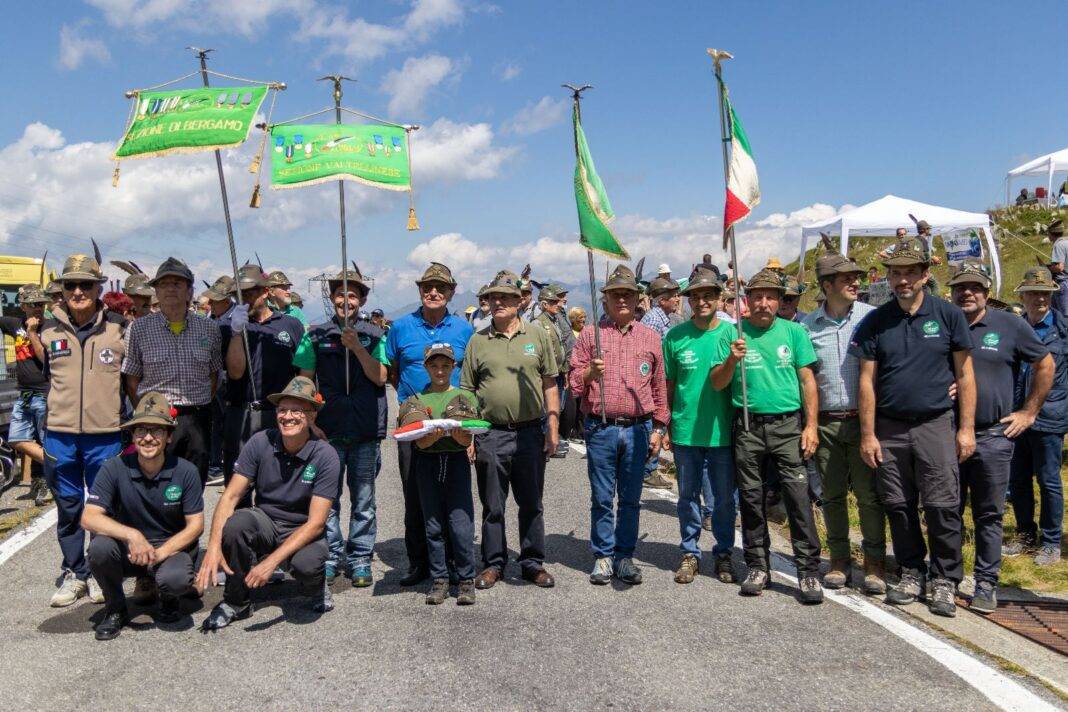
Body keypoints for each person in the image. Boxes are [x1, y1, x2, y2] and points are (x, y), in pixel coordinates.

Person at [851, 237, 976, 618]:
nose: (902, 280)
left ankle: (945, 578)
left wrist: (966, 428)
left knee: (942, 505)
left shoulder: (948, 315)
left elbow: (965, 374)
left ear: (924, 275)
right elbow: (866, 381)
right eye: (895, 273)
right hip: (889, 428)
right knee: (898, 504)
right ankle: (911, 571)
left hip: (935, 423)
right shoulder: (876, 321)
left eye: (909, 273)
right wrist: (868, 434)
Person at [710, 268, 824, 604]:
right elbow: (717, 382)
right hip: (748, 426)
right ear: (747, 300)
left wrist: (811, 426)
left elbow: (807, 381)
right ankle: (758, 566)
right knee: (751, 499)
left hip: (788, 426)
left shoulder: (794, 332)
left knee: (798, 498)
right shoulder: (732, 334)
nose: (763, 303)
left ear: (779, 301)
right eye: (757, 296)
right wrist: (732, 359)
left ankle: (808, 572)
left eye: (770, 297)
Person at [948, 262, 1053, 612]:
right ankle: (946, 578)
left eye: (975, 287)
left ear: (987, 292)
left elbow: (1045, 364)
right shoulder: (942, 324)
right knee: (946, 511)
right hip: (946, 433)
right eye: (960, 287)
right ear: (951, 292)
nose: (967, 292)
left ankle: (985, 582)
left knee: (989, 514)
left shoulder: (1010, 324)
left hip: (993, 435)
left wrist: (1029, 412)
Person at [196, 377, 339, 629]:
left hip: (302, 528)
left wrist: (270, 563)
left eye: (297, 410)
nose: (288, 416)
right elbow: (230, 496)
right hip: (267, 523)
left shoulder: (326, 455)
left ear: (312, 416)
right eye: (283, 410)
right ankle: (236, 602)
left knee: (307, 566)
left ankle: (317, 586)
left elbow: (317, 524)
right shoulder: (261, 441)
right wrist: (213, 547)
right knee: (236, 525)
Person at [39, 254, 127, 607]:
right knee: (69, 506)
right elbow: (47, 379)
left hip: (105, 434)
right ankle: (76, 572)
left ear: (98, 288)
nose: (78, 291)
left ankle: (101, 571)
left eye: (86, 285)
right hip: (60, 434)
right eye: (70, 285)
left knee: (104, 506)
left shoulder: (119, 328)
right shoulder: (47, 331)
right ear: (62, 289)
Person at [570, 265, 668, 586]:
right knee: (601, 497)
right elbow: (573, 383)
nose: (622, 299)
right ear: (606, 299)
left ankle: (624, 556)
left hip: (639, 429)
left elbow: (659, 388)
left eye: (627, 294)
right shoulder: (590, 335)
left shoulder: (651, 337)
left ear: (638, 299)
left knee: (630, 498)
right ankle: (602, 555)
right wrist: (589, 373)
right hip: (601, 428)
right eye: (615, 294)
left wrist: (659, 429)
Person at [462, 269, 559, 590]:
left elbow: (550, 383)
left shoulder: (537, 335)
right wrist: (470, 435)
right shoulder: (477, 341)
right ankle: (493, 564)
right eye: (493, 297)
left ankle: (532, 563)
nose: (498, 302)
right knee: (493, 505)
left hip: (530, 432)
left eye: (505, 297)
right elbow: (468, 392)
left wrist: (553, 426)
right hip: (490, 433)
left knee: (531, 503)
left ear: (519, 302)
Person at [82, 392, 204, 640]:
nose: (148, 437)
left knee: (176, 579)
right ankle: (116, 608)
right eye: (141, 430)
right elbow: (89, 517)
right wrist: (132, 535)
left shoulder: (186, 471)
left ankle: (168, 598)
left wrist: (161, 553)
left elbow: (196, 525)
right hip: (129, 549)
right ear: (132, 435)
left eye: (156, 430)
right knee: (99, 549)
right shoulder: (114, 468)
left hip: (169, 549)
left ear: (169, 436)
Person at [295, 265, 389, 588]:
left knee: (364, 499)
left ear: (361, 300)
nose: (345, 301)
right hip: (328, 430)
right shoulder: (314, 336)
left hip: (365, 429)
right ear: (331, 297)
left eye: (352, 295)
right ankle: (331, 554)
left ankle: (360, 555)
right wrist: (310, 422)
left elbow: (381, 377)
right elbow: (304, 382)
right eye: (339, 294)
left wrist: (357, 347)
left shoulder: (375, 335)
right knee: (327, 498)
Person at [801, 252, 886, 594]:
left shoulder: (872, 318)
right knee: (832, 496)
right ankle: (838, 560)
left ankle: (875, 563)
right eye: (846, 278)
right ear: (826, 285)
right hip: (826, 423)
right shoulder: (807, 327)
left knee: (869, 496)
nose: (855, 282)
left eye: (856, 277)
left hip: (864, 422)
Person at [385, 262, 473, 586]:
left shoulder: (464, 329)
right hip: (415, 425)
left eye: (440, 288)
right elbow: (393, 371)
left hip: (454, 424)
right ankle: (419, 562)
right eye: (427, 287)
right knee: (414, 495)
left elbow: (470, 376)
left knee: (453, 496)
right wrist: (413, 406)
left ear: (451, 292)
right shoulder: (400, 328)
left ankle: (453, 562)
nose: (433, 292)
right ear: (420, 290)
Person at [662, 265, 736, 585]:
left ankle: (724, 553)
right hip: (686, 430)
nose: (702, 301)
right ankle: (690, 553)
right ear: (688, 301)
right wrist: (665, 424)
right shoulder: (675, 337)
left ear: (719, 298)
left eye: (708, 295)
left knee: (724, 501)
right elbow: (668, 386)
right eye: (696, 297)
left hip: (723, 432)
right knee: (688, 497)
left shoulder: (733, 334)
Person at [121, 258, 223, 485]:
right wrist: (147, 413)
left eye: (177, 283)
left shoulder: (209, 328)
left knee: (194, 481)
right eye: (164, 284)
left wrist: (200, 400)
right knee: (155, 482)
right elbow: (132, 379)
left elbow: (214, 374)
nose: (170, 289)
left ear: (189, 291)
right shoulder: (138, 329)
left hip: (197, 417)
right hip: (157, 419)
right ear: (156, 291)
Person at [402, 344, 479, 605]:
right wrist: (427, 440)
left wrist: (461, 438)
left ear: (453, 367)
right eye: (434, 366)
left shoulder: (464, 397)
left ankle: (466, 579)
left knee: (460, 522)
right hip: (427, 462)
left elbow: (468, 436)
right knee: (433, 523)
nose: (439, 371)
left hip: (456, 462)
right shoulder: (417, 401)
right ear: (425, 367)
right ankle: (439, 579)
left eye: (445, 366)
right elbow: (417, 440)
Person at [218, 264, 305, 495]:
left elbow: (303, 373)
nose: (243, 300)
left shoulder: (290, 325)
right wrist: (237, 332)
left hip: (279, 414)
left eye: (249, 293)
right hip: (241, 414)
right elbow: (235, 372)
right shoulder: (227, 327)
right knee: (238, 490)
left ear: (265, 292)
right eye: (238, 295)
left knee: (278, 486)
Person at [1007, 267, 1067, 567]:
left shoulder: (1064, 329)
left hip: (1049, 416)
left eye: (1045, 293)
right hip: (1016, 415)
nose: (1040, 299)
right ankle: (1025, 534)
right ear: (1022, 296)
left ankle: (1051, 541)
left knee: (1048, 480)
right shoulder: (1014, 328)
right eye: (1033, 293)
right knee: (1018, 478)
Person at [0, 285, 51, 505]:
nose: (38, 308)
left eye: (41, 304)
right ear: (23, 306)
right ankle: (60, 468)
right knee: (17, 439)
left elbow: (45, 360)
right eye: (33, 304)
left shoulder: (50, 328)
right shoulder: (14, 324)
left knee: (45, 441)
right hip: (25, 394)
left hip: (45, 392)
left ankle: (46, 483)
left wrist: (32, 332)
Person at [536, 284, 576, 458]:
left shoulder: (555, 321)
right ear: (544, 304)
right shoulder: (539, 323)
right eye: (553, 302)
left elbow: (561, 347)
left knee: (556, 409)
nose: (557, 304)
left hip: (559, 372)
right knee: (547, 410)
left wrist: (565, 371)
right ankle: (543, 445)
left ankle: (551, 441)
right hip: (547, 374)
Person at [1045, 220, 1068, 319]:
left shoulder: (1058, 245)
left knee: (1063, 315)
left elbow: (1059, 267)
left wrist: (1046, 268)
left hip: (1063, 284)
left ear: (1051, 233)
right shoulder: (1066, 242)